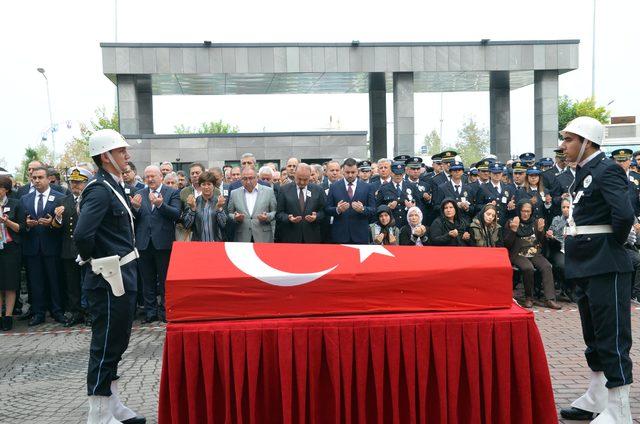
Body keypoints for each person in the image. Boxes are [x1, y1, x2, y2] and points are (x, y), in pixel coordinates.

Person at [558, 117, 635, 422]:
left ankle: (619, 409)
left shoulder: (607, 169)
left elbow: (624, 214)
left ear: (586, 142)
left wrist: (611, 245)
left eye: (569, 140)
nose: (564, 146)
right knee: (594, 334)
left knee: (612, 336)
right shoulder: (583, 173)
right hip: (586, 263)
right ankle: (597, 395)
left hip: (605, 263)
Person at [73, 129, 146, 423]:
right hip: (107, 278)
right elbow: (82, 235)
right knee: (104, 345)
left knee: (117, 342)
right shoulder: (100, 189)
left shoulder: (113, 185)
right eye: (120, 151)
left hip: (121, 274)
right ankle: (99, 413)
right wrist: (97, 261)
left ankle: (111, 403)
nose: (126, 156)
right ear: (106, 156)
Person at [130, 166, 181, 323]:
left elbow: (176, 214)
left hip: (163, 243)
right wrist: (135, 209)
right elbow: (133, 219)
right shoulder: (139, 194)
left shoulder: (171, 192)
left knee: (165, 280)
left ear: (161, 176)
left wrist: (160, 205)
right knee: (147, 280)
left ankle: (166, 311)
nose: (150, 179)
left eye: (153, 176)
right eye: (147, 177)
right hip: (144, 243)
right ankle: (150, 312)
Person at [20, 166, 65, 326]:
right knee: (36, 282)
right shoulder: (25, 198)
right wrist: (27, 224)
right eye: (34, 178)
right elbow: (21, 224)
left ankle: (57, 311)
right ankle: (38, 313)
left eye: (40, 177)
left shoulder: (60, 197)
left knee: (55, 280)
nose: (37, 181)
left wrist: (52, 223)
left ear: (48, 178)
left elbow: (64, 224)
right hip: (32, 247)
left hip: (52, 245)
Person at [52, 166, 92, 327]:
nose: (74, 185)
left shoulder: (90, 199)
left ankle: (89, 311)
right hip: (69, 248)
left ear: (86, 183)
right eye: (72, 182)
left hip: (87, 248)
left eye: (78, 182)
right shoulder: (63, 201)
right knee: (72, 284)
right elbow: (55, 226)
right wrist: (58, 217)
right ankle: (76, 312)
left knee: (88, 282)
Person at [504, 200, 560, 310]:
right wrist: (513, 230)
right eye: (523, 211)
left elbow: (542, 243)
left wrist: (540, 232)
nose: (525, 214)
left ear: (531, 212)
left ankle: (550, 299)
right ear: (519, 211)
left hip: (534, 252)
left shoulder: (535, 222)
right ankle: (529, 297)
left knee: (547, 266)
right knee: (527, 268)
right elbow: (507, 244)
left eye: (528, 211)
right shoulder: (512, 221)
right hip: (518, 253)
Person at [325, 158, 376, 244]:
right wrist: (338, 209)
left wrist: (363, 209)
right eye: (347, 172)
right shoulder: (334, 187)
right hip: (340, 235)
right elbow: (327, 209)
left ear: (357, 171)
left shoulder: (367, 187)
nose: (350, 175)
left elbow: (373, 209)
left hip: (360, 235)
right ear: (342, 171)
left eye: (353, 172)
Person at [276, 163, 326, 243]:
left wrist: (316, 217)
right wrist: (288, 218)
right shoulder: (284, 190)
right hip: (290, 237)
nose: (302, 182)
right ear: (294, 174)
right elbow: (279, 213)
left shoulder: (318, 190)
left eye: (305, 179)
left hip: (312, 237)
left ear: (310, 176)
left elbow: (323, 212)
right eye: (299, 179)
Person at [0, 175, 24, 331]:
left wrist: (6, 221)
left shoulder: (16, 204)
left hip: (10, 248)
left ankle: (8, 317)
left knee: (10, 284)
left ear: (5, 189)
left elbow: (21, 228)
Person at [227, 167, 277, 242]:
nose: (248, 182)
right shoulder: (234, 193)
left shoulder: (268, 191)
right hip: (243, 236)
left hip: (263, 236)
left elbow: (275, 211)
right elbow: (229, 213)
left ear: (257, 178)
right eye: (244, 179)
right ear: (241, 179)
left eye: (251, 178)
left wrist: (267, 216)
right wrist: (235, 217)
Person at [182, 171, 227, 242]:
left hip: (217, 243)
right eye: (203, 184)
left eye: (209, 184)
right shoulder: (194, 201)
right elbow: (187, 225)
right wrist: (193, 209)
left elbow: (224, 224)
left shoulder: (220, 201)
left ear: (214, 186)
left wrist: (219, 208)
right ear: (200, 185)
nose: (206, 187)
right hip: (198, 244)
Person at [546, 198, 572, 302]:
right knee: (562, 265)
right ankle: (567, 289)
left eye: (568, 207)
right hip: (559, 248)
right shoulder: (556, 219)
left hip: (574, 248)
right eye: (563, 207)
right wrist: (550, 235)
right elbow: (551, 233)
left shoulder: (576, 220)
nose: (566, 209)